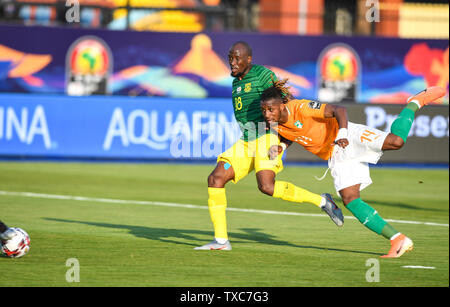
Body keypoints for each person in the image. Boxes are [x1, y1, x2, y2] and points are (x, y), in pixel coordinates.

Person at [260, 79, 446, 258]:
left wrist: (342, 133)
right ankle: (398, 240)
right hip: (337, 155)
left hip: (350, 135)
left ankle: (414, 103)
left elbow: (339, 110)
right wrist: (282, 146)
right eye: (264, 111)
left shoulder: (300, 107)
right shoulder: (274, 123)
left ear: (282, 105)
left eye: (271, 109)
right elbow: (293, 133)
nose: (267, 115)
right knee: (350, 199)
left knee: (396, 141)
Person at [194, 42, 344, 251]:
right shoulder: (235, 82)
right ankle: (221, 241)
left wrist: (290, 135)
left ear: (248, 60)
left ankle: (322, 201)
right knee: (215, 178)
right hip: (247, 140)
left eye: (237, 58)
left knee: (266, 187)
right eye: (230, 57)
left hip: (267, 137)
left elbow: (285, 100)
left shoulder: (262, 74)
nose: (233, 62)